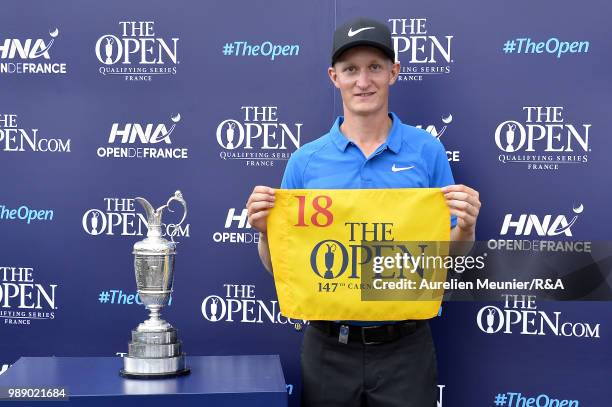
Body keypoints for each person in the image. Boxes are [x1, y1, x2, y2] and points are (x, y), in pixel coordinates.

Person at [246, 17, 481, 407]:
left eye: (374, 67)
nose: (363, 81)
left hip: (406, 346)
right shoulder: (305, 161)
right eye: (351, 69)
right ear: (333, 77)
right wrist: (264, 231)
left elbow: (448, 259)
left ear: (394, 72)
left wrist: (467, 229)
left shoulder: (426, 152)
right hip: (327, 347)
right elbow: (281, 267)